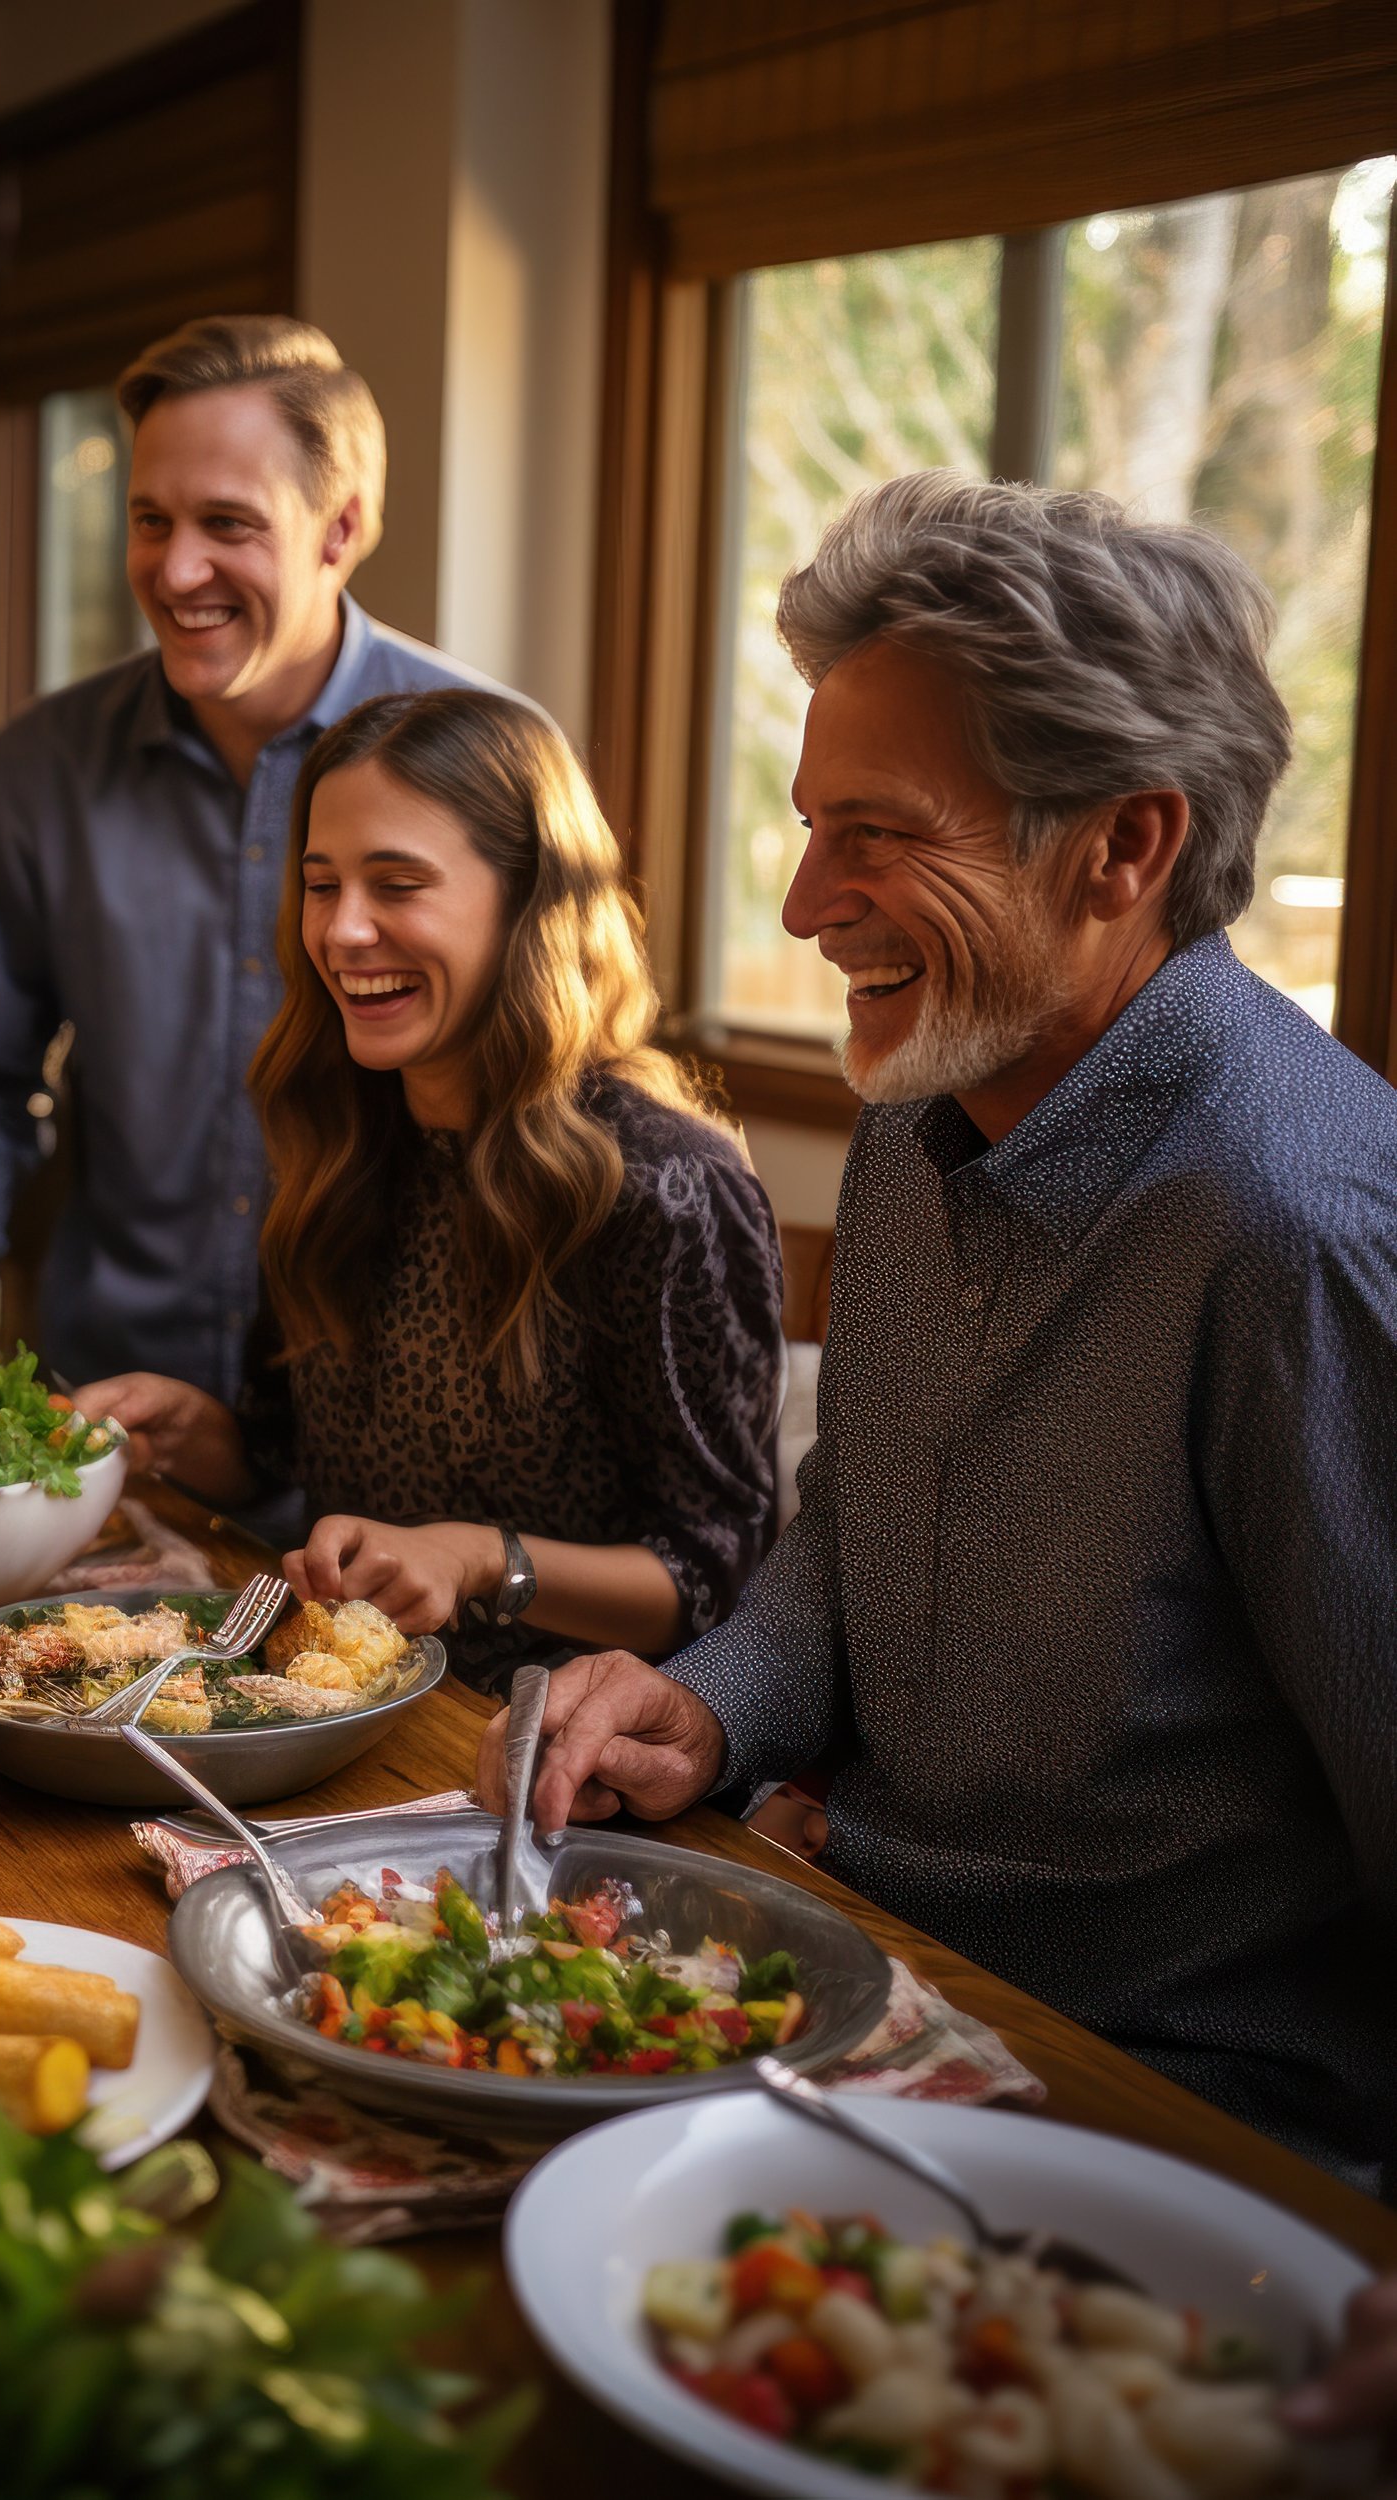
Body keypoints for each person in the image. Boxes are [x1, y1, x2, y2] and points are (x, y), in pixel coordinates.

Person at [479, 472, 1397, 2187]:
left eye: (877, 833)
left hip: (1177, 2124)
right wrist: (718, 1705)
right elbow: (863, 1518)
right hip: (866, 1976)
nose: (805, 902)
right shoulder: (923, 1105)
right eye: (811, 823)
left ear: (1127, 845)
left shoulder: (1304, 1233)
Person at [0, 314, 514, 1399]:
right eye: (150, 520)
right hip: (110, 1416)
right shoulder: (38, 771)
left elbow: (558, 1097)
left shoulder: (492, 759)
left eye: (226, 523)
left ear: (339, 527)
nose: (176, 569)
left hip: (401, 1427)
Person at [77, 689, 783, 1679]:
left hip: (553, 1745)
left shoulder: (664, 1188)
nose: (344, 933)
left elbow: (714, 1576)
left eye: (397, 884)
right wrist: (188, 1430)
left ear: (527, 901)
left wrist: (482, 1558)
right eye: (321, 886)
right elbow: (284, 1457)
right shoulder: (339, 1132)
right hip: (339, 1702)